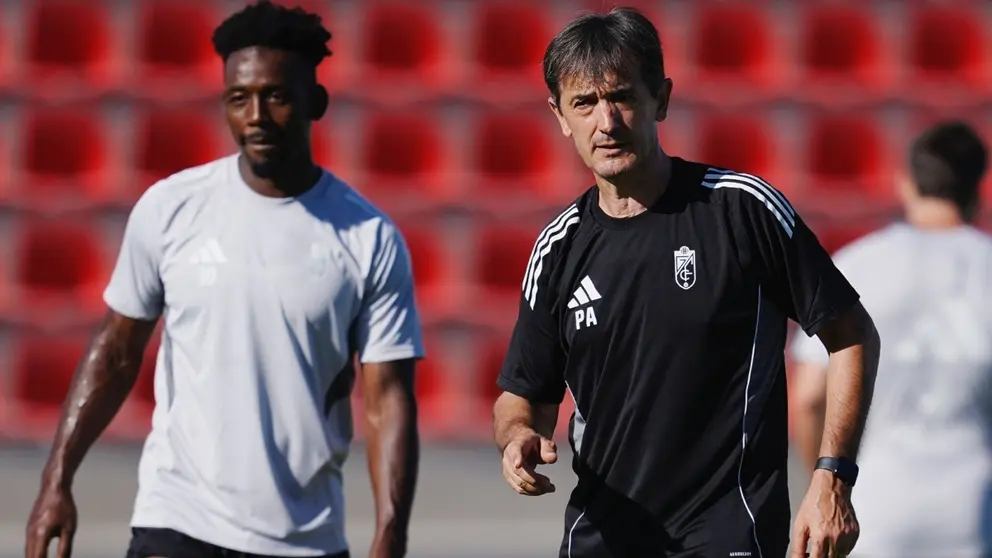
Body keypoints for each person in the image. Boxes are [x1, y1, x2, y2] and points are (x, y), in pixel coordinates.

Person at [24, 2, 424, 557]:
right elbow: (116, 351)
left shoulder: (369, 238)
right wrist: (56, 481)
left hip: (306, 539)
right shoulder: (170, 209)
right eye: (239, 99)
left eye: (276, 96)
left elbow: (386, 402)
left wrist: (390, 533)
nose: (255, 115)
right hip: (176, 522)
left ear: (316, 101)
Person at [491, 7, 881, 558]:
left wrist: (833, 477)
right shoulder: (559, 250)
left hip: (728, 534)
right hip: (603, 537)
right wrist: (517, 439)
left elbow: (853, 335)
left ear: (662, 98)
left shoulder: (742, 211)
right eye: (584, 103)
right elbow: (522, 396)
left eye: (622, 96)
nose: (607, 122)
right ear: (559, 115)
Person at [790, 121, 992, 557]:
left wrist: (825, 481)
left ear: (906, 183)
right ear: (978, 187)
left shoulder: (860, 264)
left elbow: (807, 397)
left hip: (872, 502)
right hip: (975, 507)